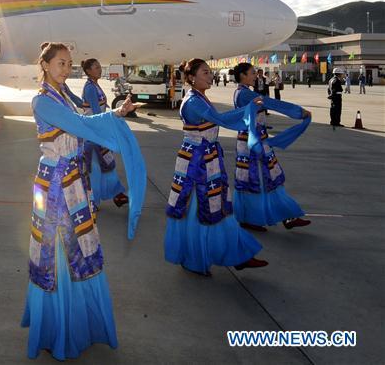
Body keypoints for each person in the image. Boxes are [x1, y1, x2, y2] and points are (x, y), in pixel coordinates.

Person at [22, 42, 146, 360]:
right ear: (46, 65)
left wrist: (115, 114)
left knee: (81, 249)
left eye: (69, 63)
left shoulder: (62, 96)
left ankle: (80, 322)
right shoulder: (42, 101)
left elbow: (84, 123)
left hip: (74, 182)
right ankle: (60, 327)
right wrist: (115, 116)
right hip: (55, 187)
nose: (66, 68)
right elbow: (81, 126)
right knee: (60, 253)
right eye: (61, 63)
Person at [164, 58, 268, 276]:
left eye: (210, 72)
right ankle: (200, 258)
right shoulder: (193, 102)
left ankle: (236, 254)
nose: (210, 76)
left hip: (208, 159)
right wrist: (249, 108)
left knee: (216, 207)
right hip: (196, 164)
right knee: (200, 209)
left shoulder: (200, 97)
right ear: (192, 77)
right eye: (205, 72)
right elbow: (219, 119)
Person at [231, 63, 312, 232]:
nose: (256, 75)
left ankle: (285, 216)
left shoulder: (244, 92)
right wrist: (298, 112)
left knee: (268, 178)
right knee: (256, 180)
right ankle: (251, 218)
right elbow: (270, 103)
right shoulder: (245, 94)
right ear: (243, 76)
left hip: (258, 140)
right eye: (253, 73)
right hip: (252, 144)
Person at [79, 58, 128, 208]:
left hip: (98, 132)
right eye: (96, 67)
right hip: (94, 134)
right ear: (88, 71)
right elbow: (95, 113)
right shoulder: (90, 88)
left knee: (105, 164)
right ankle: (94, 200)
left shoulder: (94, 86)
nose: (99, 69)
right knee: (95, 168)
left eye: (100, 67)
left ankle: (115, 194)